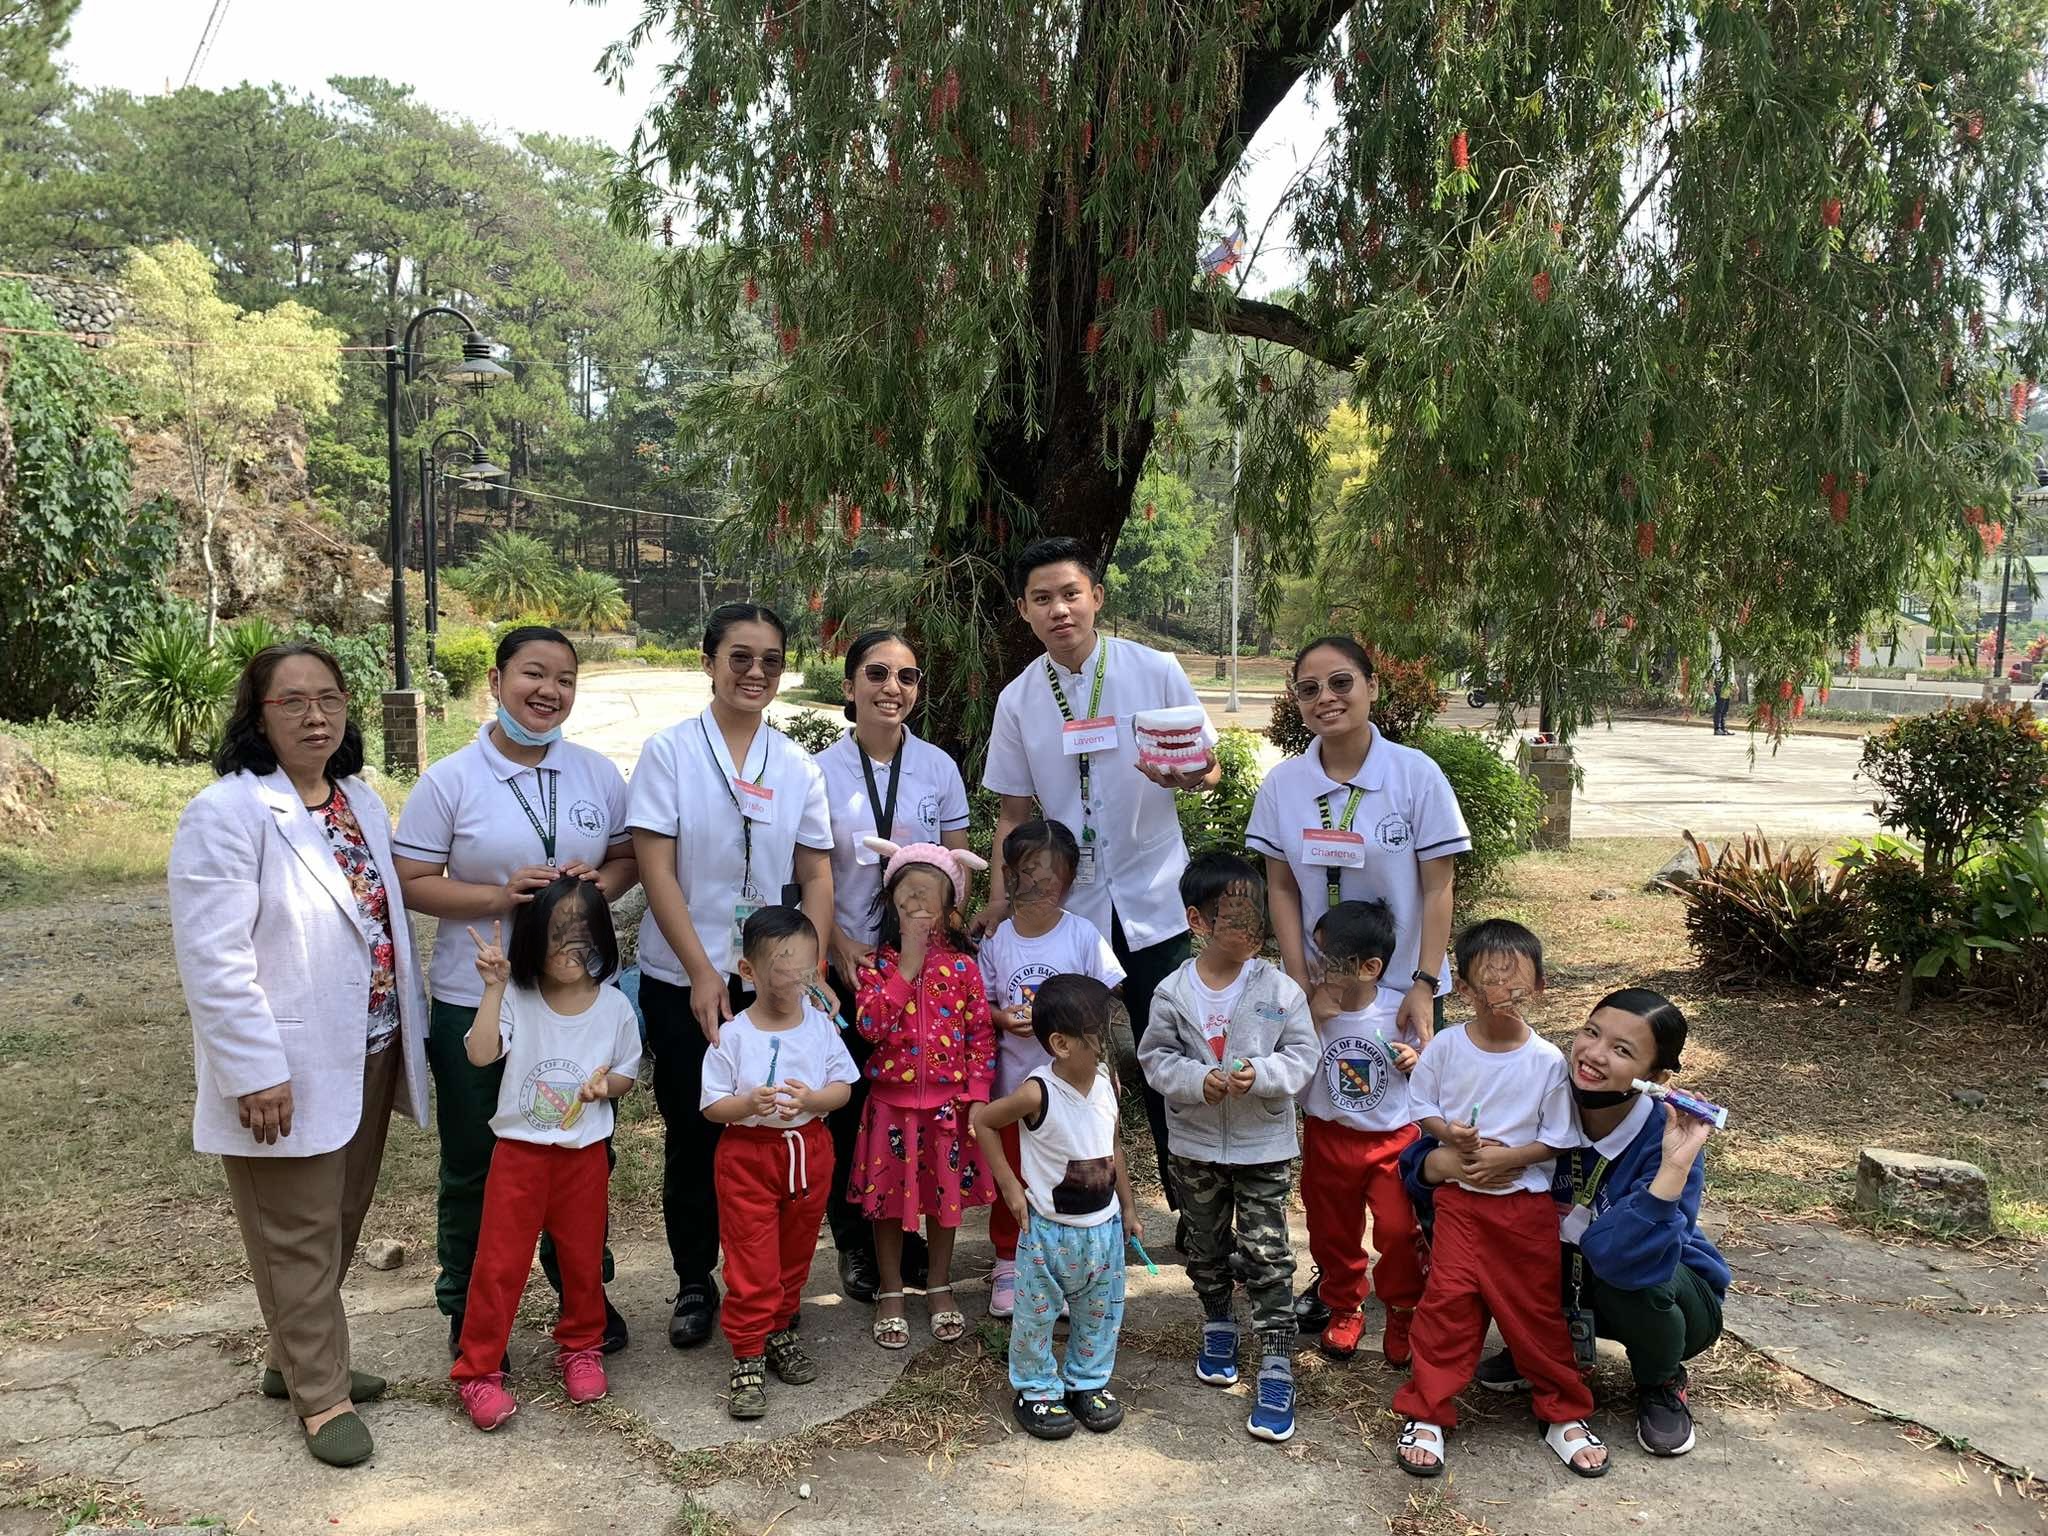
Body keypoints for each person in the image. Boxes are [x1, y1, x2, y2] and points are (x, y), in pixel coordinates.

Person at [168, 643, 431, 1468]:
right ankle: (322, 1397)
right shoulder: (227, 813)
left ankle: (294, 1360)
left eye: (329, 699)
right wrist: (254, 1070)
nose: (316, 716)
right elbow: (213, 958)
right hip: (287, 1064)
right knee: (296, 1231)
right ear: (258, 716)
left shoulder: (358, 799)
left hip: (369, 1046)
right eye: (292, 702)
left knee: (339, 1216)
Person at [394, 625, 637, 1360]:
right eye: (534, 674)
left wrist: (600, 887)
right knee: (476, 1160)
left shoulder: (596, 773)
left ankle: (583, 1297)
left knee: (581, 1150)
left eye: (564, 679)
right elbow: (411, 882)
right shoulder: (451, 781)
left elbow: (627, 861)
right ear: (495, 682)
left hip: (577, 1000)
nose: (549, 691)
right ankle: (468, 1309)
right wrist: (501, 895)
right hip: (481, 996)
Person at [978, 536, 1218, 1216]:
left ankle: (1192, 1206)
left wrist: (1190, 773)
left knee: (1172, 1054)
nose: (1060, 610)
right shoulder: (1020, 699)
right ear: (1024, 611)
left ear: (1097, 598)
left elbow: (1210, 769)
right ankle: (1077, 1204)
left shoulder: (1154, 669)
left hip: (1155, 899)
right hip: (1069, 915)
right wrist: (1000, 900)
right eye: (1043, 599)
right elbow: (1013, 814)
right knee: (1070, 1063)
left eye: (1071, 594)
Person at [628, 603, 836, 1349]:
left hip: (770, 983)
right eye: (739, 657)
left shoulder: (796, 765)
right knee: (697, 1128)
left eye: (771, 660)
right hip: (683, 976)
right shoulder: (670, 753)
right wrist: (699, 970)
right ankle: (695, 1279)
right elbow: (656, 868)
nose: (755, 672)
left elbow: (815, 872)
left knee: (779, 1125)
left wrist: (803, 972)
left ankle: (775, 1283)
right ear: (708, 660)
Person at [1405, 987, 1729, 1459]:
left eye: (1622, 1051)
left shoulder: (1667, 1137)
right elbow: (1417, 1167)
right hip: (1566, 1275)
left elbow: (1626, 1259)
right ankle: (1532, 1346)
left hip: (1664, 1293)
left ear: (1653, 1076)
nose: (1594, 1054)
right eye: (1591, 1033)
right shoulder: (1543, 1089)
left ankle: (1660, 1380)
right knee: (1491, 1229)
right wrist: (1445, 1166)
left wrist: (1673, 1169)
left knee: (1631, 1274)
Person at [1393, 920, 1605, 1480]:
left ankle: (1563, 1411)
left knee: (1534, 1309)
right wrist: (1451, 1137)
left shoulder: (1547, 1061)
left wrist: (1505, 1159)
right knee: (1448, 1303)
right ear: (1464, 988)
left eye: (1519, 985)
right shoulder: (1445, 1046)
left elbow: (1558, 1138)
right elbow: (1423, 1106)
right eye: (1494, 982)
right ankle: (1428, 1410)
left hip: (1524, 1211)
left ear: (1539, 988)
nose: (1507, 995)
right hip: (1462, 1206)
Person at [1137, 852, 1317, 1444]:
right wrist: (1195, 1080)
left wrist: (1262, 1074)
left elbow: (1302, 1057)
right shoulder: (1171, 991)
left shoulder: (1279, 989)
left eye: (1254, 916)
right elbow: (1154, 1058)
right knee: (1205, 1242)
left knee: (1267, 1251)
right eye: (1233, 916)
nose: (1248, 929)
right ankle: (1218, 1319)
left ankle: (1275, 1358)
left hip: (1263, 1144)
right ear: (1198, 921)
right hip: (1194, 1145)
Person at [813, 629, 970, 1301]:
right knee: (854, 1106)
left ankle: (909, 1240)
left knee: (919, 1101)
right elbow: (810, 869)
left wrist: (947, 951)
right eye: (877, 674)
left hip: (924, 969)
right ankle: (856, 1242)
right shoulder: (816, 771)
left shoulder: (938, 767)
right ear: (849, 686)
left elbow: (958, 869)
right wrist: (833, 945)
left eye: (906, 677)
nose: (892, 688)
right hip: (852, 963)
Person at [450, 879, 640, 1431]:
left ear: (603, 938)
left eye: (583, 934)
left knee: (582, 1261)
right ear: (532, 939)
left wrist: (609, 1088)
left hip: (583, 1158)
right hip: (519, 1157)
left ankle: (582, 1347)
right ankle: (478, 1370)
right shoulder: (517, 997)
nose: (571, 947)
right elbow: (482, 1054)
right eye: (558, 933)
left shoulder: (614, 1006)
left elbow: (626, 1071)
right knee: (498, 1266)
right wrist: (492, 989)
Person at [1247, 636, 1468, 1047]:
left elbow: (1439, 888)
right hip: (1321, 990)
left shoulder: (1416, 775)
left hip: (1402, 985)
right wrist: (1300, 983)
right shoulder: (1282, 785)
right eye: (1309, 690)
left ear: (1373, 686)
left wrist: (1424, 983)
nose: (1326, 698)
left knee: (1405, 1105)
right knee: (1324, 1104)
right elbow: (1281, 888)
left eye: (1341, 683)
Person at [701, 906, 859, 1419]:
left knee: (795, 1251)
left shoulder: (820, 1027)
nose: (795, 980)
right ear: (748, 971)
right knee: (752, 1256)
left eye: (805, 969)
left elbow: (842, 1087)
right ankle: (747, 1350)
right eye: (781, 969)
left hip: (809, 1153)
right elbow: (711, 1105)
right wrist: (747, 1105)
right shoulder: (734, 1036)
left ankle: (779, 1328)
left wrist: (813, 1100)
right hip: (748, 1157)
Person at [971, 976, 1138, 1441]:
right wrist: (1009, 1186)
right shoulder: (1036, 1093)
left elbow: (1113, 1144)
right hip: (1048, 1232)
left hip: (1102, 1230)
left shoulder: (1105, 1081)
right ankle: (1036, 1387)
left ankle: (1087, 1381)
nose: (1109, 1042)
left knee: (1101, 1312)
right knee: (1036, 1316)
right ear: (1061, 1043)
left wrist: (1128, 1206)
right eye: (1099, 1033)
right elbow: (983, 1122)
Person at [975, 818, 1125, 1319]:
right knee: (1016, 1172)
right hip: (1017, 1083)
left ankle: (1062, 1263)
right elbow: (984, 1004)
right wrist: (1003, 1018)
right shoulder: (998, 939)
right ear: (1009, 874)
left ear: (1068, 880)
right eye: (1028, 870)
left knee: (1067, 1169)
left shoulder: (1080, 933)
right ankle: (1007, 1260)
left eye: (1051, 873)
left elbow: (1107, 994)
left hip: (1071, 1088)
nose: (1040, 882)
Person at [850, 838, 996, 1348]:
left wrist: (977, 1094)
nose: (915, 907)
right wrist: (906, 968)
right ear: (890, 902)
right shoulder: (876, 966)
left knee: (944, 1200)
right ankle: (890, 1290)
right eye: (906, 896)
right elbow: (869, 1026)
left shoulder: (963, 970)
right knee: (886, 1203)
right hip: (890, 1108)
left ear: (950, 912)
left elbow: (981, 1035)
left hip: (948, 1109)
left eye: (927, 897)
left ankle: (939, 1283)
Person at [1297, 899, 1425, 1367]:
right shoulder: (1309, 1007)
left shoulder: (1398, 1010)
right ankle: (1346, 1306)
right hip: (1327, 1136)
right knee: (1331, 1229)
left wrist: (1414, 1061)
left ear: (1370, 968)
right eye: (1319, 956)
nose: (1321, 968)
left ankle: (1403, 1309)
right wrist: (1312, 1018)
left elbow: (1427, 1064)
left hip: (1392, 1140)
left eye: (1332, 961)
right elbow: (1290, 1062)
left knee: (1397, 1229)